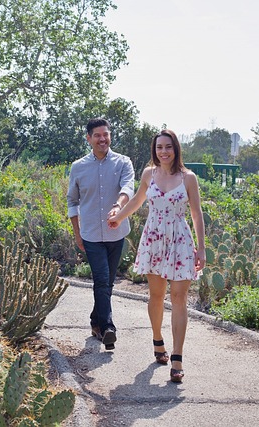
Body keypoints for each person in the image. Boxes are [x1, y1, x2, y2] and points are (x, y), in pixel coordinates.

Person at [108, 129, 205, 382]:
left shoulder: (188, 178)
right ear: (155, 150)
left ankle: (178, 357)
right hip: (153, 239)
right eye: (160, 147)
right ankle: (157, 340)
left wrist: (202, 247)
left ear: (176, 150)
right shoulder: (148, 174)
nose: (164, 151)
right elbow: (138, 200)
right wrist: (118, 217)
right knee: (157, 296)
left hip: (180, 241)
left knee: (179, 297)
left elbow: (196, 214)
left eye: (168, 147)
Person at [67, 117, 135, 350]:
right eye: (97, 135)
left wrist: (118, 206)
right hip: (91, 234)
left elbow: (128, 188)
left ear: (110, 136)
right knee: (102, 279)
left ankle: (96, 321)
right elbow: (72, 202)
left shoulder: (123, 162)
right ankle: (108, 327)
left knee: (107, 282)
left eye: (105, 134)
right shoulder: (78, 167)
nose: (102, 139)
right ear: (89, 138)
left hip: (117, 233)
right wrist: (77, 233)